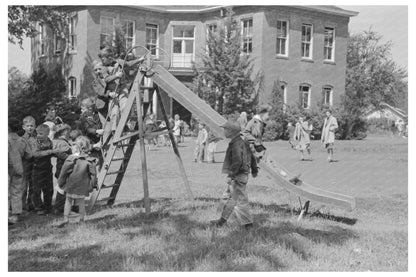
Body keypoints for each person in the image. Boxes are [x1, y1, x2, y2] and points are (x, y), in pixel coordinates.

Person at [210, 121, 258, 229]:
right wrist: (254, 170)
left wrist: (231, 175)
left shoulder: (236, 144)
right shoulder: (241, 142)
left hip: (238, 176)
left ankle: (248, 225)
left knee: (240, 200)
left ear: (231, 132)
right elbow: (252, 156)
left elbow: (237, 161)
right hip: (241, 174)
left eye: (226, 129)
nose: (224, 131)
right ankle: (222, 221)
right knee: (231, 198)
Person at [57, 136, 97, 226]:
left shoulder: (71, 159)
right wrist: (93, 185)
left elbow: (64, 172)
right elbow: (93, 174)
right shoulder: (89, 160)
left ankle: (65, 218)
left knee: (68, 200)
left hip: (71, 184)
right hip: (82, 185)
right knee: (81, 202)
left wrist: (60, 182)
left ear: (77, 147)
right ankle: (82, 219)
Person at [32, 124, 62, 215]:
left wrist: (57, 153)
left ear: (47, 134)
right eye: (37, 133)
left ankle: (48, 206)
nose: (38, 135)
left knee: (48, 189)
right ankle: (39, 208)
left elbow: (52, 153)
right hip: (37, 169)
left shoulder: (49, 141)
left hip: (47, 169)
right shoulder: (35, 142)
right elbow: (36, 154)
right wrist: (51, 151)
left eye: (41, 134)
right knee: (36, 190)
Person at [8, 120, 31, 224]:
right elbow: (29, 155)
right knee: (16, 190)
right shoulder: (22, 140)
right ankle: (15, 215)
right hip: (18, 167)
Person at [52, 124, 72, 214]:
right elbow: (61, 154)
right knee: (62, 189)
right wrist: (71, 157)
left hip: (60, 168)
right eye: (69, 131)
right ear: (65, 132)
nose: (69, 133)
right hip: (64, 168)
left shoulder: (57, 141)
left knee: (64, 188)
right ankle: (59, 208)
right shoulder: (63, 143)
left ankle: (64, 207)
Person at [21, 116, 37, 212]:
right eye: (28, 126)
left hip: (34, 166)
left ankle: (31, 205)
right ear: (23, 127)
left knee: (33, 186)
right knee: (23, 187)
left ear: (35, 126)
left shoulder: (36, 138)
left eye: (32, 126)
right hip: (24, 166)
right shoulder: (22, 139)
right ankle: (21, 206)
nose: (30, 128)